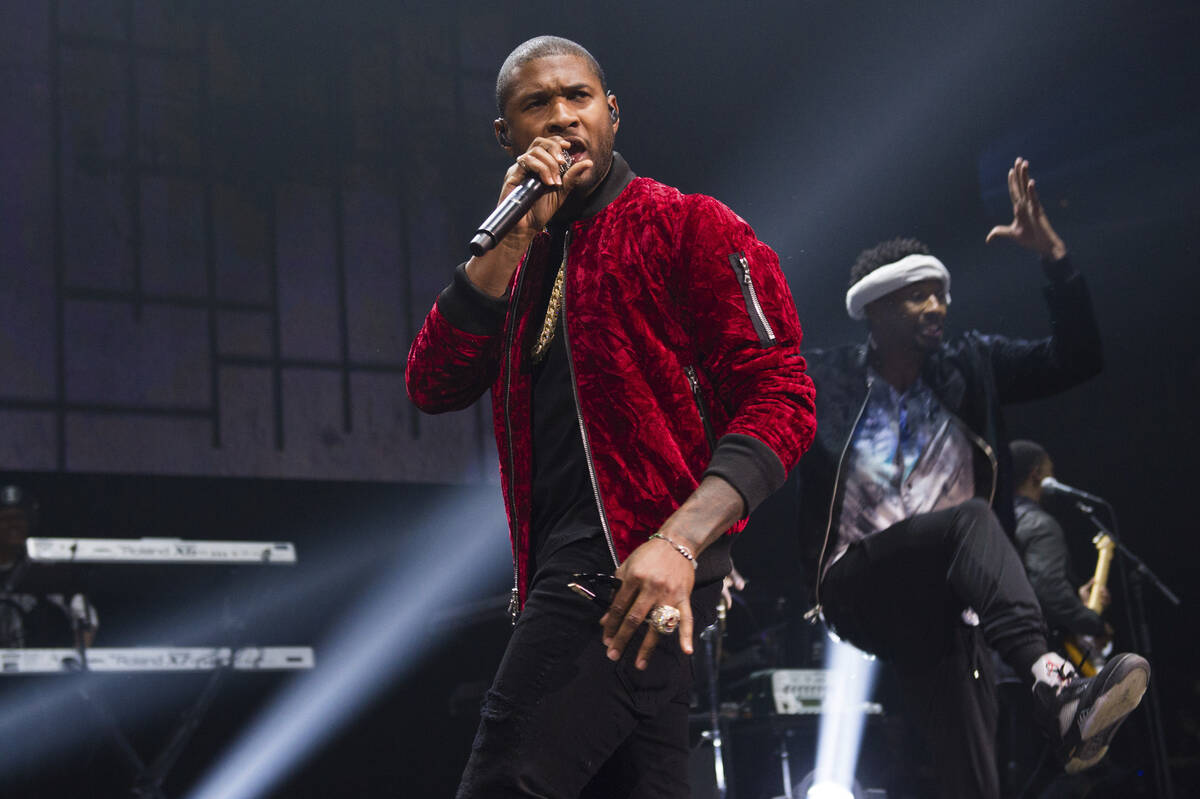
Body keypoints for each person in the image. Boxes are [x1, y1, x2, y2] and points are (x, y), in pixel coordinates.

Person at [405, 35, 816, 798]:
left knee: (503, 781)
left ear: (613, 114)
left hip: (624, 574)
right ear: (507, 136)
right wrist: (503, 242)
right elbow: (432, 381)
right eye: (537, 104)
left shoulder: (689, 225)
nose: (562, 118)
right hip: (601, 592)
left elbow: (784, 395)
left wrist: (681, 541)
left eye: (578, 98)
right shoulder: (517, 264)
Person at [793, 158, 1148, 798]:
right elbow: (747, 435)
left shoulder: (973, 364)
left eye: (943, 293)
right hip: (860, 582)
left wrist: (1057, 260)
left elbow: (1078, 358)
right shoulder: (824, 380)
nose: (938, 305)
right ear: (875, 308)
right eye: (918, 294)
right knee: (970, 520)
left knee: (973, 773)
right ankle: (1057, 688)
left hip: (952, 602)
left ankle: (1055, 702)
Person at [1010, 440, 1112, 652]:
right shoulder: (1040, 525)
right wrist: (1095, 624)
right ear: (1036, 474)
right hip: (1036, 653)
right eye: (1051, 471)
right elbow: (1051, 594)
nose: (1054, 477)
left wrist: (1076, 599)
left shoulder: (997, 522)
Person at [0, 483, 98, 649]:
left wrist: (73, 663)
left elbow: (87, 618)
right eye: (5, 519)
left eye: (19, 518)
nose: (13, 525)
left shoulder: (47, 569)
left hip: (32, 667)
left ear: (30, 521)